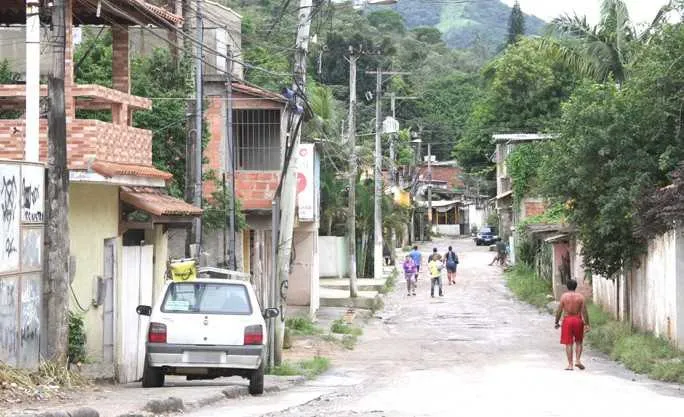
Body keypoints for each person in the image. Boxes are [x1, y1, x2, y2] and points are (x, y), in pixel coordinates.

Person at [554, 279, 591, 371]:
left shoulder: (564, 297)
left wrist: (556, 321)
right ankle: (577, 360)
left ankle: (570, 365)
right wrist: (587, 324)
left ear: (567, 287)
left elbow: (559, 310)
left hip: (567, 320)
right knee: (579, 342)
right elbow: (584, 312)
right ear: (576, 286)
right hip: (578, 320)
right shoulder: (580, 297)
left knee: (568, 343)